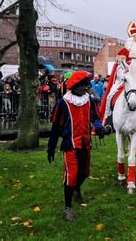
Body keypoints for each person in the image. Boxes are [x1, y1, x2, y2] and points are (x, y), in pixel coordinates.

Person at [47, 71, 105, 221]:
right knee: (71, 177)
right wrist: (51, 148)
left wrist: (99, 128)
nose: (87, 88)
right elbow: (55, 129)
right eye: (84, 85)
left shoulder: (89, 101)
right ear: (75, 86)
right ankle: (68, 208)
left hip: (85, 143)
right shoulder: (63, 103)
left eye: (87, 85)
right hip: (70, 145)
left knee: (84, 172)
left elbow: (96, 118)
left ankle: (76, 189)